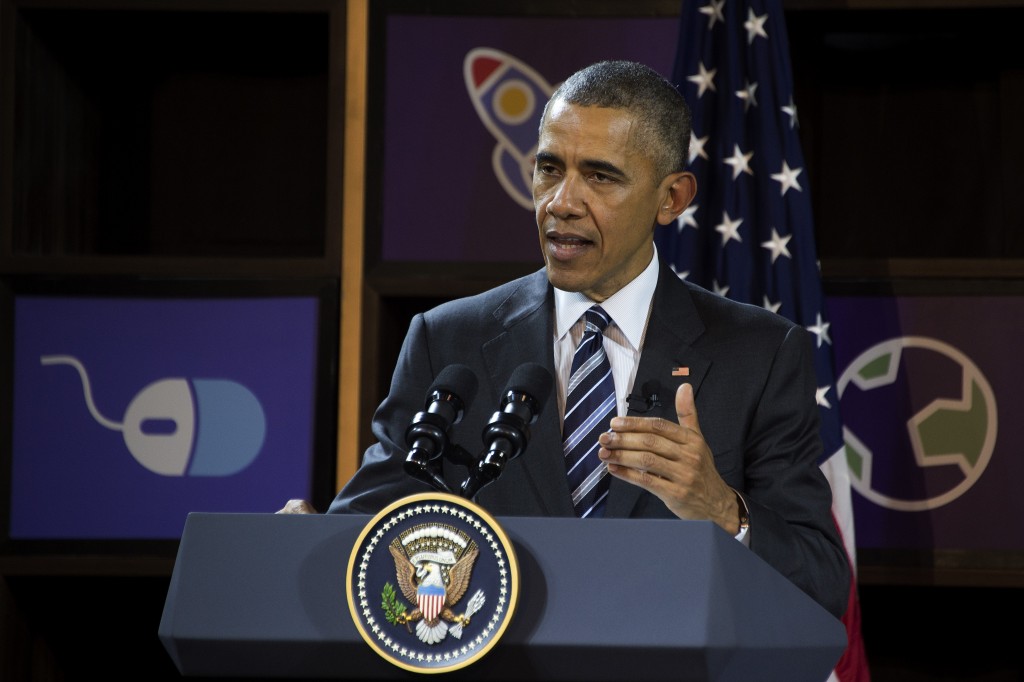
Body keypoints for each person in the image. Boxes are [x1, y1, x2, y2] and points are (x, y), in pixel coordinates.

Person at [288, 60, 850, 620]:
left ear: (671, 198)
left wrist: (724, 510)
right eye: (549, 168)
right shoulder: (448, 340)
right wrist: (303, 546)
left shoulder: (760, 354)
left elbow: (822, 581)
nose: (561, 202)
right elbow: (369, 529)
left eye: (600, 176)